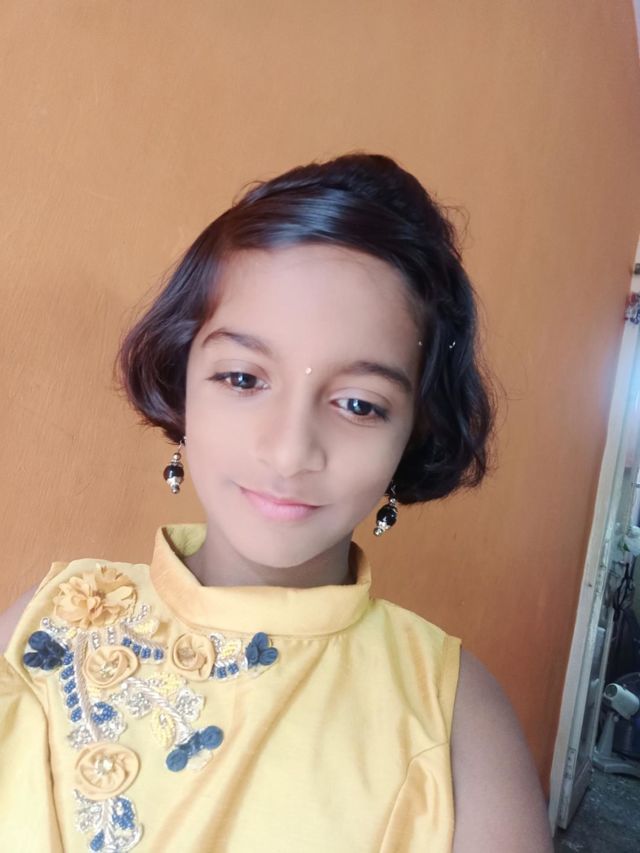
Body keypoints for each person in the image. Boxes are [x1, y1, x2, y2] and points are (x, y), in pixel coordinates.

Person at [0, 152, 553, 852]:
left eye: (359, 404)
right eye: (242, 378)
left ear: (415, 430)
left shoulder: (456, 719)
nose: (291, 451)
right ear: (182, 381)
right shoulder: (48, 624)